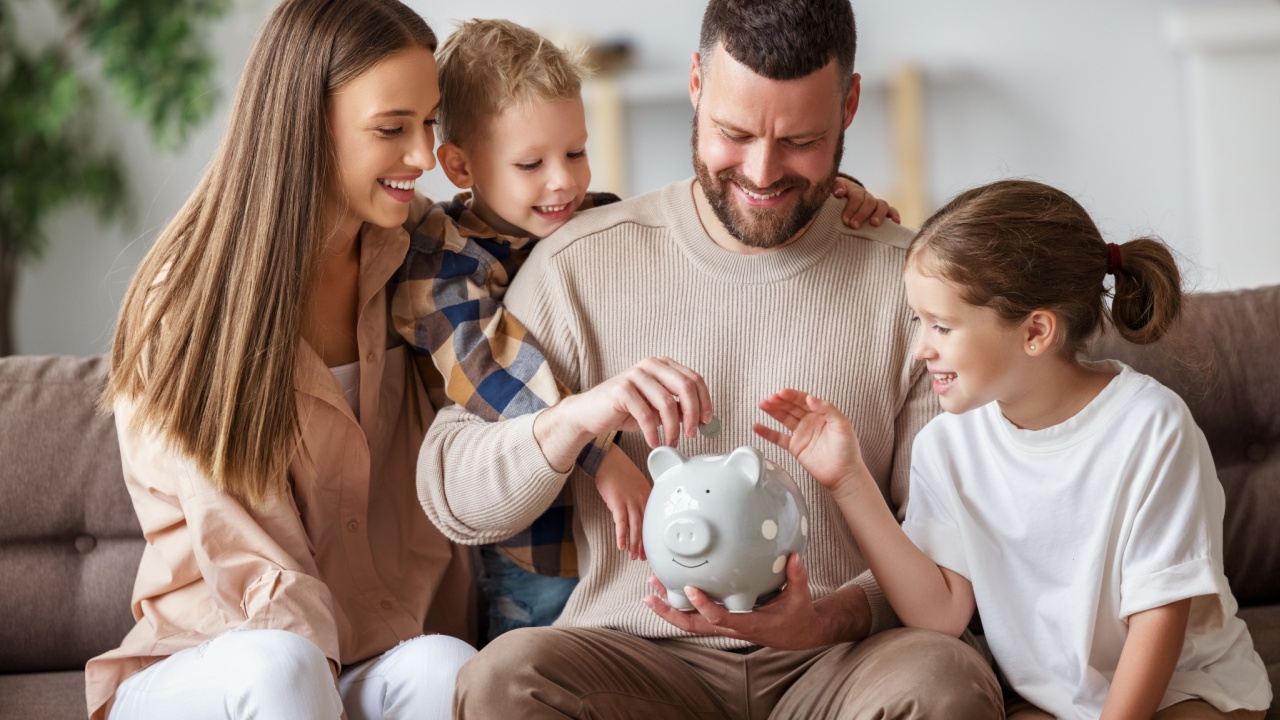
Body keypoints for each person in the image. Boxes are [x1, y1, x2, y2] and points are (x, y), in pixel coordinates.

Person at [416, 0, 1004, 716]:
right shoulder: (575, 261)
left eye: (800, 140)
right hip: (635, 663)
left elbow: (945, 555)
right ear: (696, 83)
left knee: (944, 681)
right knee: (505, 678)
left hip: (841, 664)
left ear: (850, 104)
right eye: (734, 133)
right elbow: (452, 495)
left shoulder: (907, 287)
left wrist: (826, 618)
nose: (761, 171)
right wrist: (575, 422)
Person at [392, 17, 898, 644]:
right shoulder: (448, 270)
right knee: (523, 661)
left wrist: (831, 194)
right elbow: (494, 384)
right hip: (538, 551)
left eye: (575, 153)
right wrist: (599, 454)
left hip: (629, 565)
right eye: (531, 163)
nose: (564, 183)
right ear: (460, 165)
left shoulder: (589, 222)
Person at [754, 179, 1273, 719]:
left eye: (942, 326)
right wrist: (849, 480)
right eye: (918, 321)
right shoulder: (947, 446)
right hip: (1052, 701)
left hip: (1183, 688)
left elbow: (1159, 619)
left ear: (1036, 331)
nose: (919, 350)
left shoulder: (1151, 427)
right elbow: (941, 614)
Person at [86, 1, 476, 718]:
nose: (424, 158)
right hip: (217, 660)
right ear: (307, 122)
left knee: (446, 668)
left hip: (358, 654)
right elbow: (247, 562)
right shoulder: (190, 299)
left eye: (430, 122)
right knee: (284, 667)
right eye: (392, 129)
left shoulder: (419, 255)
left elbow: (514, 325)